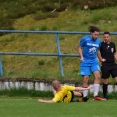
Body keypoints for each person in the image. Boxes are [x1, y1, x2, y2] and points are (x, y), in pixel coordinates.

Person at [78, 26, 104, 101]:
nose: (96, 36)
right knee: (86, 78)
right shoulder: (85, 39)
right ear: (91, 33)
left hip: (94, 61)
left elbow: (98, 50)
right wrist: (81, 56)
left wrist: (100, 58)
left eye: (97, 35)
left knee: (98, 76)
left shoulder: (98, 41)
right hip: (85, 61)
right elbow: (79, 47)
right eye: (95, 34)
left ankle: (95, 95)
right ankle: (85, 96)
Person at [99, 31, 117, 100]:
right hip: (105, 64)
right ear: (103, 37)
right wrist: (101, 59)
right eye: (105, 37)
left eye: (107, 37)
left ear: (110, 37)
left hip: (113, 64)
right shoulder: (101, 45)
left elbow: (114, 53)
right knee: (106, 80)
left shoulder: (113, 44)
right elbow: (98, 53)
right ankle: (105, 95)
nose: (106, 38)